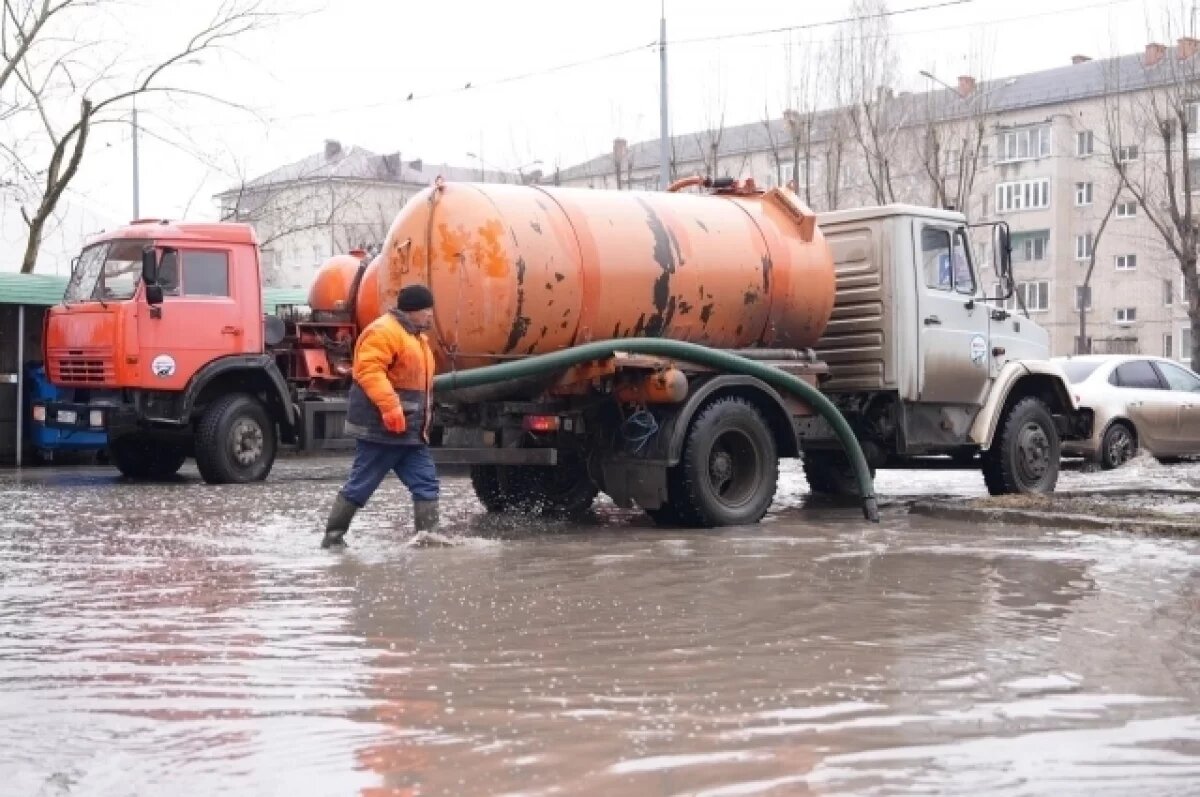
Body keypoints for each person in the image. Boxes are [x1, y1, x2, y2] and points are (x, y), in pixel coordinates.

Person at [321, 284, 440, 548]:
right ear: (413, 311)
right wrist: (390, 408)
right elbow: (369, 372)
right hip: (381, 430)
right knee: (361, 486)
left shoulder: (416, 338)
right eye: (427, 310)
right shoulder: (383, 332)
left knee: (427, 484)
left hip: (410, 432)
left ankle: (428, 540)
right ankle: (333, 538)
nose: (431, 315)